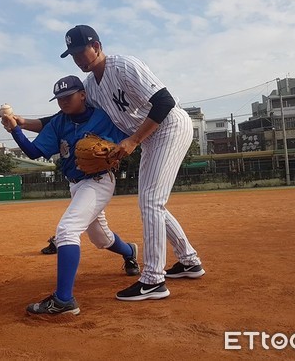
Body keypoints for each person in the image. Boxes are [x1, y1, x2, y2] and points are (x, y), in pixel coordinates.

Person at [20, 25, 205, 301]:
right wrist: (23, 123)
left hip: (169, 127)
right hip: (150, 137)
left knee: (151, 201)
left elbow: (164, 102)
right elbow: (62, 117)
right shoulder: (90, 87)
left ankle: (154, 279)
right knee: (151, 201)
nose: (79, 59)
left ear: (97, 45)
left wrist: (133, 140)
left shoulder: (125, 66)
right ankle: (189, 260)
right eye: (73, 55)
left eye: (81, 51)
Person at [2, 75, 140, 316]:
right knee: (101, 238)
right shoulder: (59, 122)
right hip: (75, 185)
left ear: (83, 95)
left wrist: (114, 153)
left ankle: (64, 300)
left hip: (99, 181)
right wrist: (15, 130)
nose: (63, 102)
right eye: (59, 98)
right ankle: (130, 253)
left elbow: (124, 144)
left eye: (68, 96)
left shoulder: (104, 117)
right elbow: (34, 152)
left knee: (67, 230)